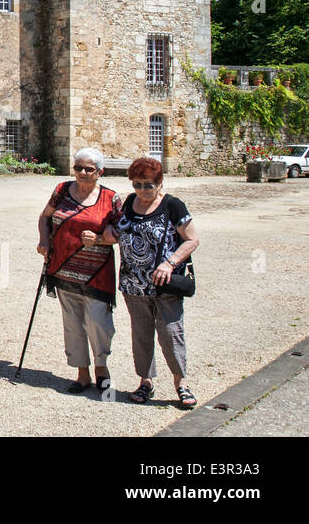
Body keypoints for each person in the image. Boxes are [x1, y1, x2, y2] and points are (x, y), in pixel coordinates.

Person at [85, 156, 199, 408]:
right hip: (133, 284)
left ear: (159, 183)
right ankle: (145, 381)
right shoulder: (129, 204)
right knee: (141, 335)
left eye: (148, 184)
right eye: (137, 184)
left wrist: (169, 263)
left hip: (164, 284)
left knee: (171, 333)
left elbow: (192, 240)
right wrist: (107, 234)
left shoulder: (173, 205)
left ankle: (181, 382)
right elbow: (118, 232)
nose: (142, 190)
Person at [36, 148, 123, 393]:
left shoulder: (111, 198)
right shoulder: (62, 190)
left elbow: (120, 233)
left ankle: (101, 367)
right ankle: (82, 373)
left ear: (100, 172)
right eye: (78, 168)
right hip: (63, 269)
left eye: (88, 169)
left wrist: (99, 239)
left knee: (98, 322)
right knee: (72, 323)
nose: (82, 173)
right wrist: (44, 240)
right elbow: (45, 217)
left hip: (97, 272)